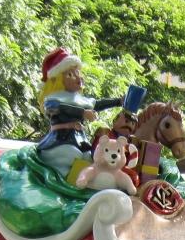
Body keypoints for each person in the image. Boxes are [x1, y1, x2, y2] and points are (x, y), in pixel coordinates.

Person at [35, 48, 126, 178]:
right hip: (60, 140)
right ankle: (59, 178)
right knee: (72, 156)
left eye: (77, 73)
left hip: (79, 139)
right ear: (59, 80)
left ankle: (77, 182)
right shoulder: (53, 99)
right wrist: (82, 113)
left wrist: (118, 101)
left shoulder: (80, 99)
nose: (78, 77)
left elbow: (97, 104)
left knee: (89, 157)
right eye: (70, 74)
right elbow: (58, 109)